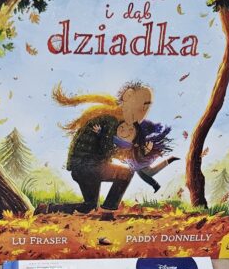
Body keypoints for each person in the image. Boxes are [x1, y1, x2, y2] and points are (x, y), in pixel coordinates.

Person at [55, 82, 178, 211]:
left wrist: (140, 151)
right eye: (144, 105)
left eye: (147, 107)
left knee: (89, 206)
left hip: (85, 166)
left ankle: (50, 208)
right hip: (86, 167)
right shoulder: (111, 121)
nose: (144, 112)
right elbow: (107, 150)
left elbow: (113, 150)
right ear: (128, 96)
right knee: (126, 173)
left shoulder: (117, 122)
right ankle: (109, 208)